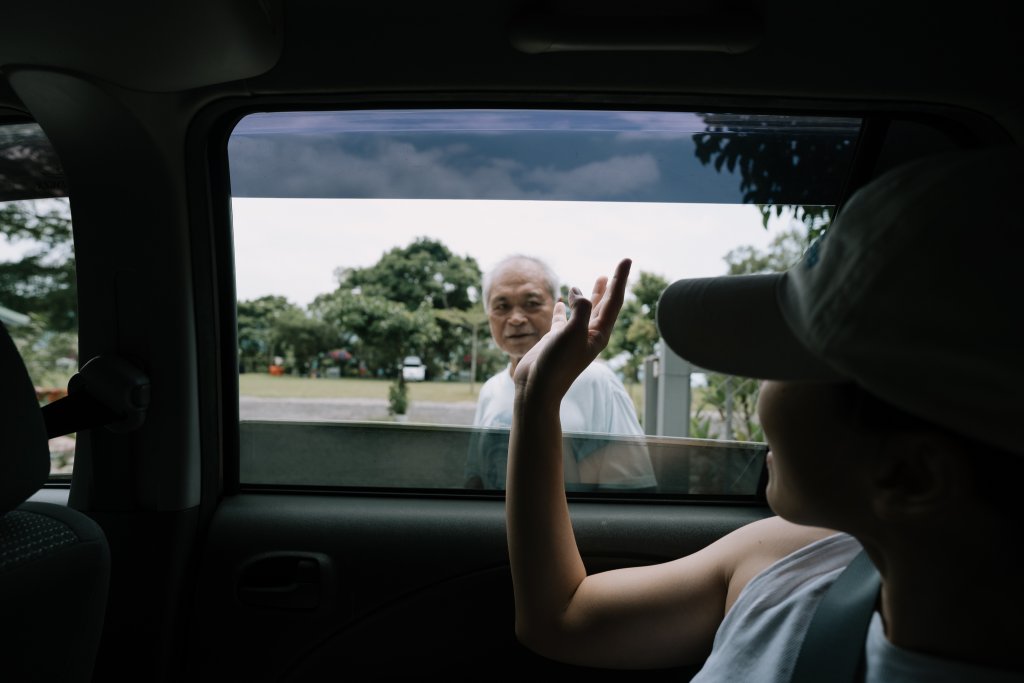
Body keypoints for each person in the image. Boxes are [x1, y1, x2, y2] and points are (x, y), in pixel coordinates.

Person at [505, 146, 1024, 680]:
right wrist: (535, 400)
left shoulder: (793, 557)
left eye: (786, 359)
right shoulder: (789, 555)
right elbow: (562, 616)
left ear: (910, 474)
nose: (759, 388)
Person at [464, 254, 656, 491]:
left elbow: (633, 492)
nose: (515, 318)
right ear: (488, 314)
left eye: (531, 303)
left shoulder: (598, 381)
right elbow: (476, 479)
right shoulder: (490, 390)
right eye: (502, 306)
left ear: (558, 307)